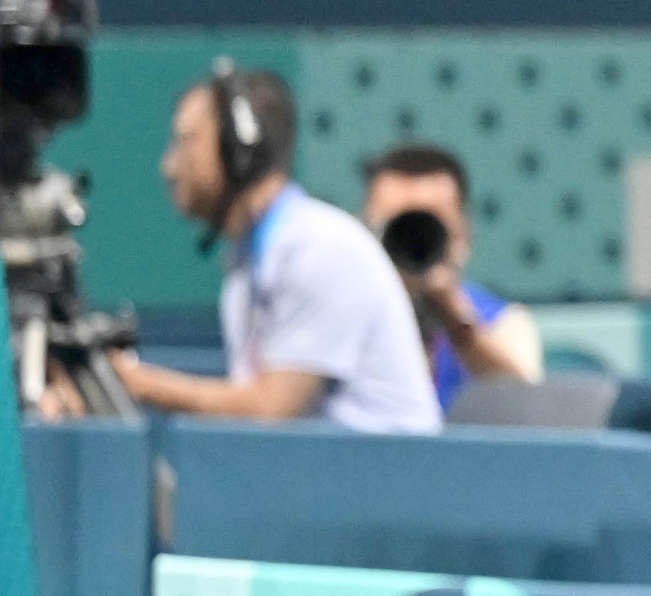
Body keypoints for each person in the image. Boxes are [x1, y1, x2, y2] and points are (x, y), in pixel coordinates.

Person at [77, 70, 440, 430]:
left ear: (239, 150)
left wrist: (134, 382)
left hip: (394, 482)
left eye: (186, 141)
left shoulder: (320, 249)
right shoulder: (251, 264)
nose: (169, 167)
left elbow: (269, 412)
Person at [358, 141, 543, 409]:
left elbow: (527, 406)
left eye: (426, 226)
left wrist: (455, 319)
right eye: (395, 227)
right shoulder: (341, 318)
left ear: (462, 235)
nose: (410, 241)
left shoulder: (503, 322)